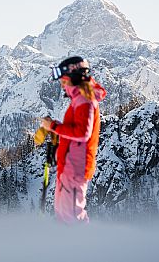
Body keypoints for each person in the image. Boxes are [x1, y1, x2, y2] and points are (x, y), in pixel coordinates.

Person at [41, 56, 106, 224]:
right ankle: (69, 247)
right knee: (63, 213)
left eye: (63, 79)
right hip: (69, 164)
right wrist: (57, 130)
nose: (61, 84)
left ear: (74, 77)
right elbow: (76, 128)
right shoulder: (79, 99)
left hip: (76, 165)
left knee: (73, 215)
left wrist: (54, 127)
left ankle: (84, 248)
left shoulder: (85, 100)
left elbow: (83, 133)